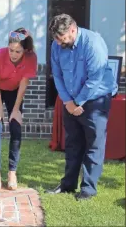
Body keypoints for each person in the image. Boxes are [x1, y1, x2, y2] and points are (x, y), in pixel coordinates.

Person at [46, 14, 117, 200]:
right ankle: (68, 185)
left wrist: (78, 102)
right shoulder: (56, 45)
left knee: (93, 145)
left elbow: (95, 78)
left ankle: (88, 189)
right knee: (72, 144)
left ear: (72, 29)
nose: (59, 44)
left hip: (96, 98)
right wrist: (68, 102)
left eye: (62, 39)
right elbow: (57, 74)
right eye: (56, 40)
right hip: (70, 100)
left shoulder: (93, 43)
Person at [0, 28, 37, 191]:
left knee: (15, 126)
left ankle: (12, 172)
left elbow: (23, 86)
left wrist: (16, 110)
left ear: (25, 50)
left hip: (15, 92)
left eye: (18, 51)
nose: (13, 54)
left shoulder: (31, 58)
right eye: (11, 50)